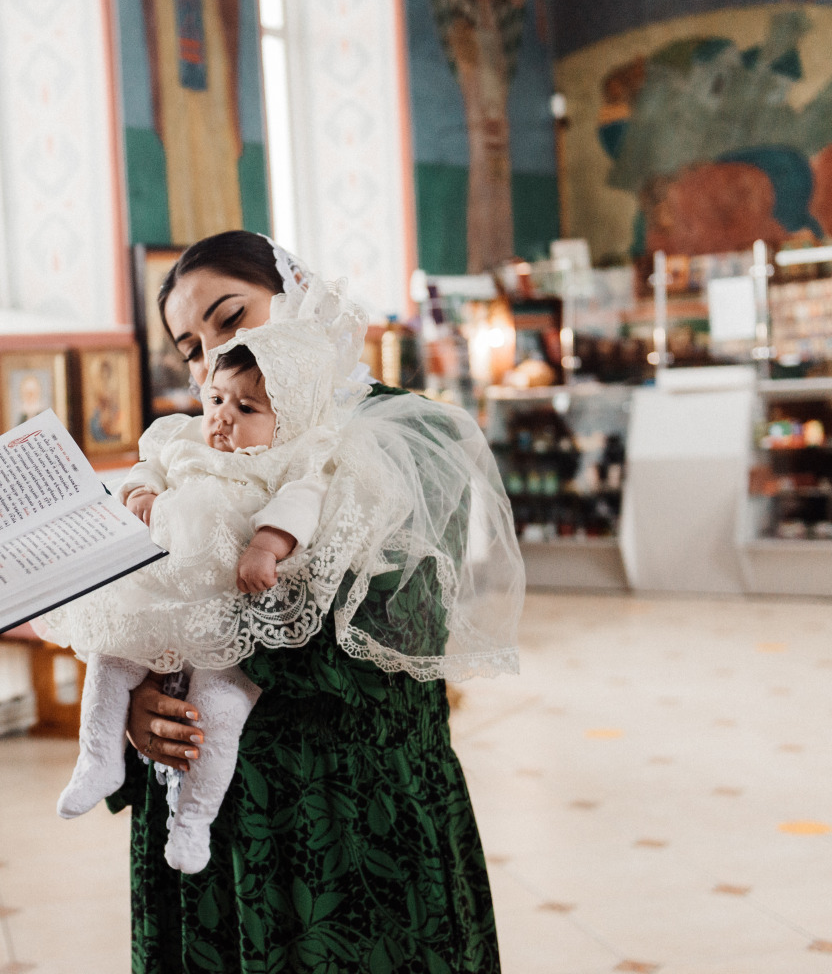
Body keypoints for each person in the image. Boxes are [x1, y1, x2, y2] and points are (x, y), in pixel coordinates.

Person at [112, 230, 523, 972]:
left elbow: (400, 634)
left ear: (299, 294)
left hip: (344, 804)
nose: (212, 357)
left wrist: (201, 648)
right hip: (207, 807)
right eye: (191, 347)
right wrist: (139, 700)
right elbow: (145, 601)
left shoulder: (405, 432)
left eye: (231, 320)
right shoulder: (198, 452)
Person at [44, 278, 397, 875]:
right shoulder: (186, 437)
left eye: (229, 316)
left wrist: (265, 544)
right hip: (157, 601)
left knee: (219, 705)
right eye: (191, 348)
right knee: (108, 658)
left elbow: (301, 503)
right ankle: (97, 757)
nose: (221, 414)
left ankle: (194, 820)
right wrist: (138, 492)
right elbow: (147, 468)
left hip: (303, 764)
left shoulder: (314, 449)